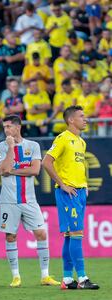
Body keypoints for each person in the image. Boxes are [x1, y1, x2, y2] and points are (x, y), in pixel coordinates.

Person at [0, 115, 60, 288]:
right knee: (10, 236)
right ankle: (16, 276)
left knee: (41, 233)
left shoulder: (33, 146)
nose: (6, 130)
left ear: (18, 127)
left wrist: (11, 170)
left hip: (29, 200)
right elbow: (6, 168)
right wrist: (10, 148)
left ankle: (45, 275)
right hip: (9, 200)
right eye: (4, 127)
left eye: (9, 126)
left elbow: (36, 170)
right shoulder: (1, 147)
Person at [42, 106, 100, 290]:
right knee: (76, 234)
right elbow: (46, 162)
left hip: (79, 191)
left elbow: (77, 166)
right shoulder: (62, 139)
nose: (86, 119)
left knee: (70, 235)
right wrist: (63, 184)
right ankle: (82, 278)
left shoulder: (81, 142)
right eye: (81, 116)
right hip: (68, 192)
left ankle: (67, 279)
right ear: (71, 120)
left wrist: (84, 185)